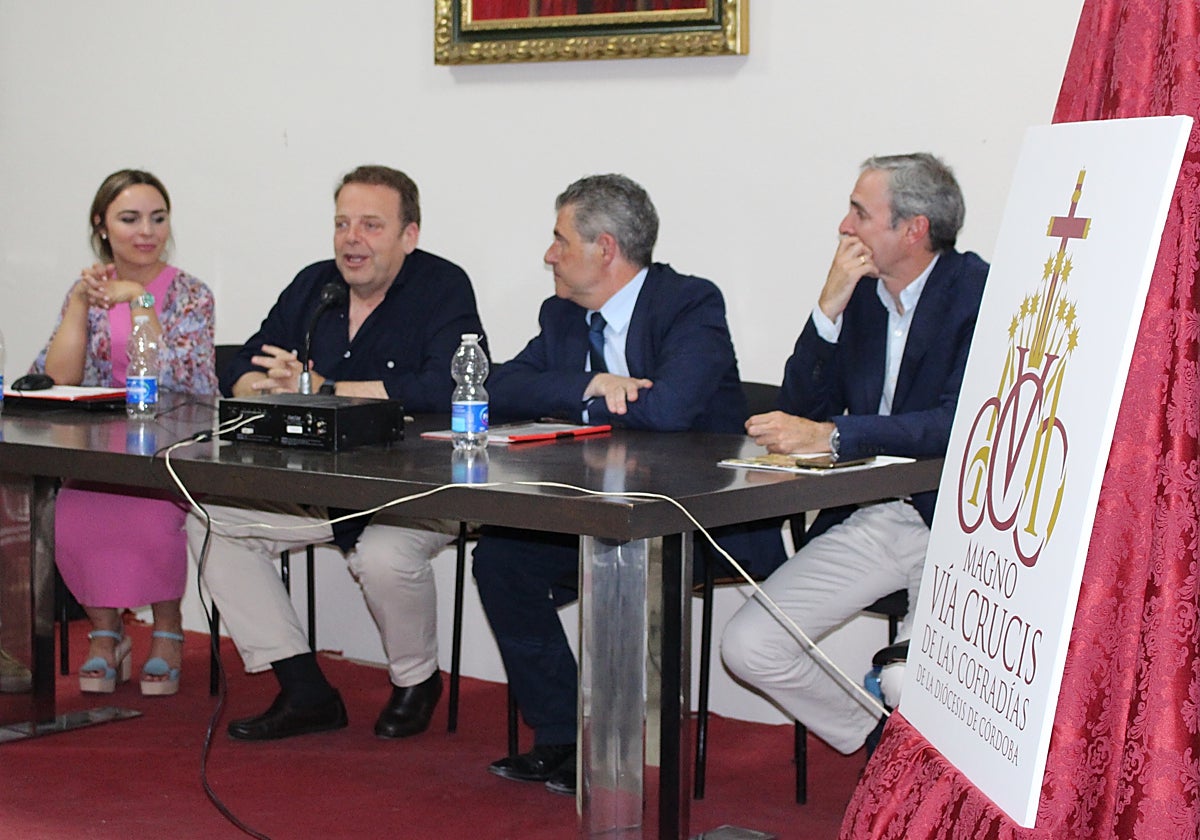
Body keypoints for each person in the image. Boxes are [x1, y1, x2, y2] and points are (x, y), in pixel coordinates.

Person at [472, 173, 785, 796]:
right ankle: (564, 735)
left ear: (605, 247)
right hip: (597, 508)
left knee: (629, 567)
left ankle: (631, 763)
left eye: (560, 239)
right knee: (501, 560)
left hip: (692, 517)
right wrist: (591, 387)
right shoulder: (562, 315)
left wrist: (588, 410)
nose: (549, 254)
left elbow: (670, 412)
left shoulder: (690, 304)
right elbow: (499, 384)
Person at [187, 165, 486, 741]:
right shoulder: (314, 287)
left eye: (372, 225)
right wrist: (260, 385)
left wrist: (322, 389)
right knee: (208, 524)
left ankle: (416, 679)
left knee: (382, 556)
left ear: (409, 235)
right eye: (343, 223)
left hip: (414, 491)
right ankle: (305, 688)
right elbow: (243, 364)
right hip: (317, 489)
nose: (353, 238)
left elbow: (445, 387)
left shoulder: (442, 287)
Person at [720, 153, 989, 755]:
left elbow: (954, 423)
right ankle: (877, 744)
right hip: (873, 513)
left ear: (913, 229)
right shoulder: (863, 297)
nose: (845, 226)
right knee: (749, 645)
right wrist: (828, 306)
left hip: (958, 524)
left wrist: (836, 436)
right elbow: (797, 407)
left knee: (921, 684)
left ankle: (925, 774)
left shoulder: (981, 293)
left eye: (860, 213)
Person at [30, 169, 218, 696]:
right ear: (102, 225)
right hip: (100, 444)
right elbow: (59, 375)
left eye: (158, 218)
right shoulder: (89, 288)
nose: (147, 231)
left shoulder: (190, 294)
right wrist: (77, 304)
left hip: (172, 442)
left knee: (150, 517)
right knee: (69, 514)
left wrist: (138, 298)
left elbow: (175, 376)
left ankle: (168, 629)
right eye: (130, 218)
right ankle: (105, 631)